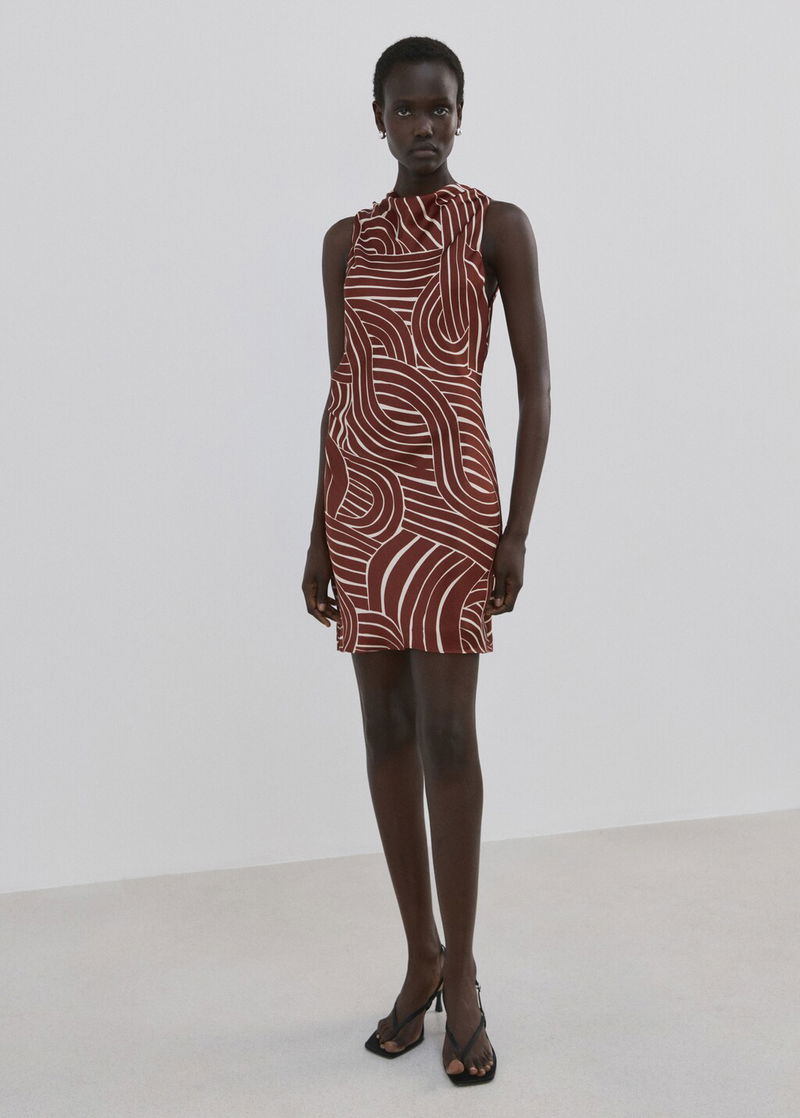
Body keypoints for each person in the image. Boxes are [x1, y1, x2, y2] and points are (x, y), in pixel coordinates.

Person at [301, 36, 550, 1085]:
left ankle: (469, 977)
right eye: (404, 110)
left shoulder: (496, 226)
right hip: (364, 511)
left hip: (452, 508)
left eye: (439, 108)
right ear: (377, 119)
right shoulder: (345, 243)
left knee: (450, 735)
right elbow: (342, 392)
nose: (424, 126)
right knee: (384, 730)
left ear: (461, 112)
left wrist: (515, 529)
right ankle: (421, 958)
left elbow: (535, 389)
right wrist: (319, 531)